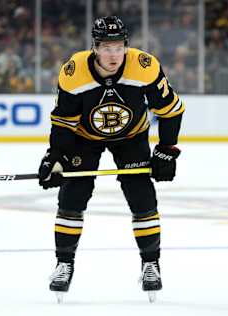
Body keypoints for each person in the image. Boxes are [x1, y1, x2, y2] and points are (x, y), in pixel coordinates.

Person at [38, 16, 185, 302]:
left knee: (141, 195)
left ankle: (150, 264)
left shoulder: (145, 67)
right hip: (84, 137)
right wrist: (55, 157)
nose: (113, 54)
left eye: (118, 47)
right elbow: (64, 122)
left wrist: (167, 149)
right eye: (106, 47)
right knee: (73, 195)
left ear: (126, 46)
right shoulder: (73, 71)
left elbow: (171, 110)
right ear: (94, 47)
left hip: (131, 137)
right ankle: (64, 263)